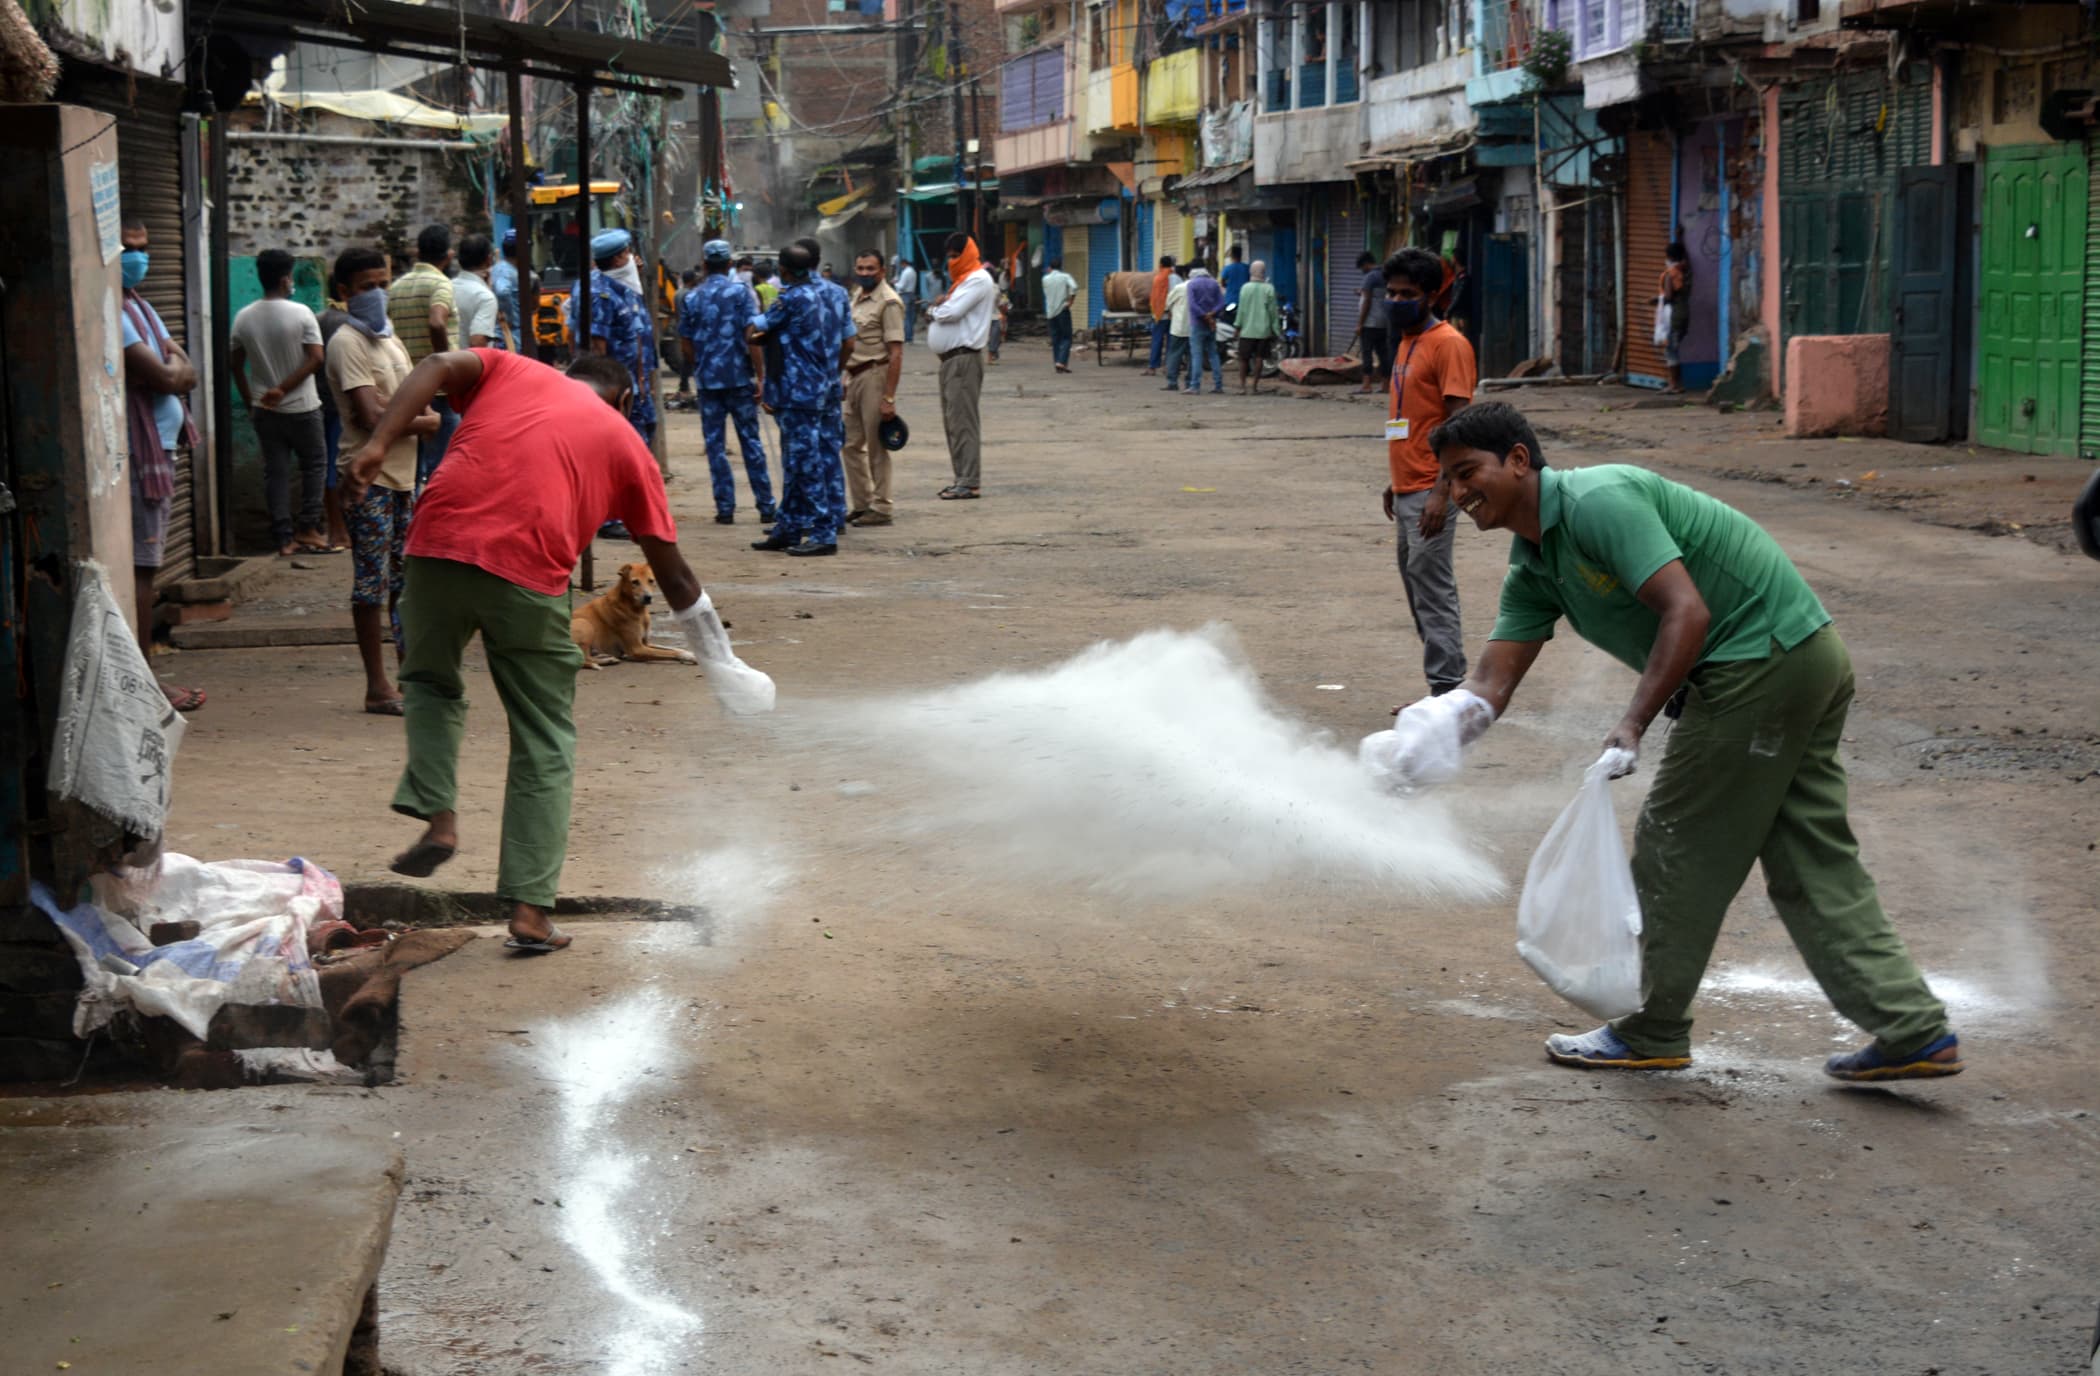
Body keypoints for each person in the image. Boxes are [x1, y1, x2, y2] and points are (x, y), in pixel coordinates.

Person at [1366, 402, 1962, 1083]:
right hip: (1800, 655)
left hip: (1759, 665)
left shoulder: (1597, 501)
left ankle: (1652, 1028)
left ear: (1521, 460)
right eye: (1447, 480)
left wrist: (1634, 722)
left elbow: (1688, 610)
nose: (1458, 493)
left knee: (1676, 842)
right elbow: (1490, 686)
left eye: (1468, 472)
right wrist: (1433, 730)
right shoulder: (1534, 564)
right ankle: (1912, 1029)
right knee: (1807, 855)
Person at [339, 346, 754, 954]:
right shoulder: (626, 443)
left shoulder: (512, 369)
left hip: (436, 546)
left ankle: (441, 820)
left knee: (428, 681)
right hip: (527, 575)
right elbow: (675, 576)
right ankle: (530, 914)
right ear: (627, 399)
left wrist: (378, 444)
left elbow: (432, 366)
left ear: (565, 376)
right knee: (543, 737)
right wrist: (725, 665)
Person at [327, 246, 440, 717]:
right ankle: (377, 686)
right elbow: (373, 415)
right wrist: (423, 421)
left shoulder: (389, 340)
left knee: (402, 583)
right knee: (371, 586)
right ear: (344, 293)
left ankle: (407, 675)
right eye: (366, 287)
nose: (376, 293)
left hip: (401, 479)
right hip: (367, 479)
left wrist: (418, 416)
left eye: (381, 283)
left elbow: (413, 400)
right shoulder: (347, 343)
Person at [117, 215, 205, 713]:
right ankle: (145, 680)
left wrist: (175, 372)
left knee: (145, 564)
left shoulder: (142, 307)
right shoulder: (119, 310)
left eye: (144, 247)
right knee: (142, 568)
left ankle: (145, 676)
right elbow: (167, 374)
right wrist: (174, 372)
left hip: (159, 449)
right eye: (130, 247)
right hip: (138, 451)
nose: (139, 257)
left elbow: (182, 368)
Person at [1382, 246, 1477, 697]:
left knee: (1433, 588)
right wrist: (1395, 480)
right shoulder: (1406, 341)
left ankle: (1449, 689)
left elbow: (1459, 423)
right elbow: (1416, 419)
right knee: (1416, 585)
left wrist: (1443, 491)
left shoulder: (1450, 345)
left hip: (1430, 489)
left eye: (1408, 293)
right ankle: (1441, 681)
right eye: (1391, 292)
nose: (1396, 300)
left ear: (1432, 295)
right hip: (1407, 486)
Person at [746, 241, 853, 555]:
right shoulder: (825, 294)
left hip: (797, 392)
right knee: (798, 460)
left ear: (782, 270)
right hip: (819, 386)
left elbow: (753, 331)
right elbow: (847, 342)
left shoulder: (790, 299)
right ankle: (789, 526)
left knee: (805, 462)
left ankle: (823, 532)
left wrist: (758, 329)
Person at [229, 247, 332, 557]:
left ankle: (283, 539)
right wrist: (283, 389)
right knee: (315, 466)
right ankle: (309, 528)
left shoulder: (243, 317)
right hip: (303, 407)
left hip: (265, 411)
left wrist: (253, 401)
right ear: (287, 279)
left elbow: (235, 364)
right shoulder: (301, 313)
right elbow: (316, 359)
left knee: (275, 473)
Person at [685, 240, 777, 526]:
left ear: (704, 263)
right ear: (729, 265)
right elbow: (752, 336)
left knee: (715, 447)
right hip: (738, 379)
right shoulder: (740, 293)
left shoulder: (692, 297)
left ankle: (725, 508)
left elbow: (685, 342)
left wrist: (698, 365)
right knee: (751, 443)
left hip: (708, 382)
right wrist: (761, 376)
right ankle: (766, 506)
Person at [567, 227, 657, 450]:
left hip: (637, 387)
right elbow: (597, 349)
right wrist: (610, 398)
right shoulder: (599, 294)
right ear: (617, 259)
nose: (632, 258)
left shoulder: (621, 283)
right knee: (630, 449)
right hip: (618, 390)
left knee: (645, 436)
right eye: (627, 253)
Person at [924, 233, 996, 501]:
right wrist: (939, 306)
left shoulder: (977, 279)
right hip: (951, 361)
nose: (952, 262)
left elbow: (949, 312)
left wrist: (933, 310)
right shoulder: (962, 282)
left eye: (956, 256)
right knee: (953, 422)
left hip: (963, 359)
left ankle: (968, 481)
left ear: (967, 254)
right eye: (950, 257)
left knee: (963, 422)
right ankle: (961, 479)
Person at [387, 223, 456, 484]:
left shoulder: (396, 287)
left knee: (414, 468)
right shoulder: (441, 283)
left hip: (408, 386)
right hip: (438, 389)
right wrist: (445, 368)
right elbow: (437, 322)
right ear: (448, 255)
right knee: (443, 467)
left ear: (418, 252)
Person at [842, 249, 905, 527]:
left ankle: (881, 507)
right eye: (861, 268)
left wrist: (888, 397)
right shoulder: (857, 296)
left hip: (875, 376)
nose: (865, 273)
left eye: (870, 269)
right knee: (849, 444)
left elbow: (896, 353)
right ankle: (861, 503)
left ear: (882, 271)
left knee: (877, 446)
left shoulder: (889, 302)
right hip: (854, 376)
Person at [315, 288, 356, 551]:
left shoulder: (318, 319)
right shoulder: (350, 324)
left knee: (327, 467)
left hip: (319, 400)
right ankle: (342, 533)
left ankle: (336, 531)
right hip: (344, 403)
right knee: (339, 467)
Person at [450, 233, 502, 351]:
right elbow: (478, 342)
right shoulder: (485, 297)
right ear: (489, 260)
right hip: (470, 366)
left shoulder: (446, 287)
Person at [1234, 260, 1279, 396]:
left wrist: (1237, 326)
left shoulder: (1245, 288)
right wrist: (1275, 329)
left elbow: (1241, 310)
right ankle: (1254, 387)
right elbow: (1273, 312)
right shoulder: (1269, 288)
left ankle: (1242, 387)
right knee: (1259, 358)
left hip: (1247, 330)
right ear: (1263, 272)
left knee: (1243, 359)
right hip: (1263, 331)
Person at [1353, 249, 1394, 396]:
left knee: (1367, 353)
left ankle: (1366, 385)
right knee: (1383, 353)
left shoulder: (1370, 277)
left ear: (1365, 264)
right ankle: (1385, 385)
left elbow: (1367, 301)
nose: (1361, 271)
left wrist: (1360, 323)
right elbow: (1379, 296)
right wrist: (1361, 292)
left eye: (1361, 267)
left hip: (1370, 323)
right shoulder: (1385, 275)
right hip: (1384, 322)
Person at [1185, 263, 1226, 395]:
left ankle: (1195, 386)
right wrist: (1211, 314)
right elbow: (1221, 303)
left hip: (1197, 323)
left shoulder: (1191, 284)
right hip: (1211, 324)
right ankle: (1218, 385)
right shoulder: (1214, 283)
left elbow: (1192, 305)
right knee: (1213, 354)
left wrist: (1204, 315)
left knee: (1197, 355)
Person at [1660, 241, 1693, 394]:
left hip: (1673, 316)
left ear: (1669, 257)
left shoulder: (1670, 274)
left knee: (1670, 350)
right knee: (1673, 348)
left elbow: (1668, 296)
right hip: (1684, 313)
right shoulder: (1686, 271)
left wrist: (1656, 300)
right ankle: (1675, 384)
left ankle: (1674, 385)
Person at [670, 268, 704, 408]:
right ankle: (693, 385)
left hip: (680, 327)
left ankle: (684, 384)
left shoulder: (677, 293)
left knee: (686, 359)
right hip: (690, 330)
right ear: (692, 280)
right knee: (693, 359)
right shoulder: (690, 295)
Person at [1040, 258, 1077, 373]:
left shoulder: (1045, 279)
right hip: (1062, 310)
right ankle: (1061, 362)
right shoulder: (1065, 277)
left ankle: (1058, 363)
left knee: (1056, 338)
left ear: (1050, 267)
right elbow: (1074, 287)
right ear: (1061, 266)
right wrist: (1071, 301)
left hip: (1050, 312)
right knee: (1067, 337)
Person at [1162, 264, 1192, 393]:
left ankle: (1172, 382)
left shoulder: (1179, 288)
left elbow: (1167, 304)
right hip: (1194, 328)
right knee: (1192, 357)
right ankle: (1190, 382)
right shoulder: (1201, 287)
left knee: (1174, 355)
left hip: (1179, 327)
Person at [1144, 254, 1174, 376]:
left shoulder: (1157, 278)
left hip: (1159, 314)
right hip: (1172, 314)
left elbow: (1155, 297)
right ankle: (1168, 366)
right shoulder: (1174, 277)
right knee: (1171, 342)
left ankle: (1152, 367)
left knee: (1157, 340)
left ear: (1160, 265)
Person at [493, 230, 523, 352]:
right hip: (510, 333)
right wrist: (510, 319)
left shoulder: (505, 268)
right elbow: (502, 292)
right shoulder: (505, 270)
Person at [892, 254, 920, 344]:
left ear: (903, 264)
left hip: (905, 295)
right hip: (912, 294)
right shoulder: (913, 271)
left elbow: (902, 286)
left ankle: (907, 337)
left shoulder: (905, 272)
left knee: (906, 317)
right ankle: (910, 336)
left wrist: (895, 283)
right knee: (911, 317)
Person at [1219, 242, 1250, 311]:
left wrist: (1228, 285)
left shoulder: (1227, 268)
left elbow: (1222, 282)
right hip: (1244, 301)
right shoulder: (1247, 268)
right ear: (1241, 255)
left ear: (1232, 255)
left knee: (1230, 320)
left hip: (1230, 299)